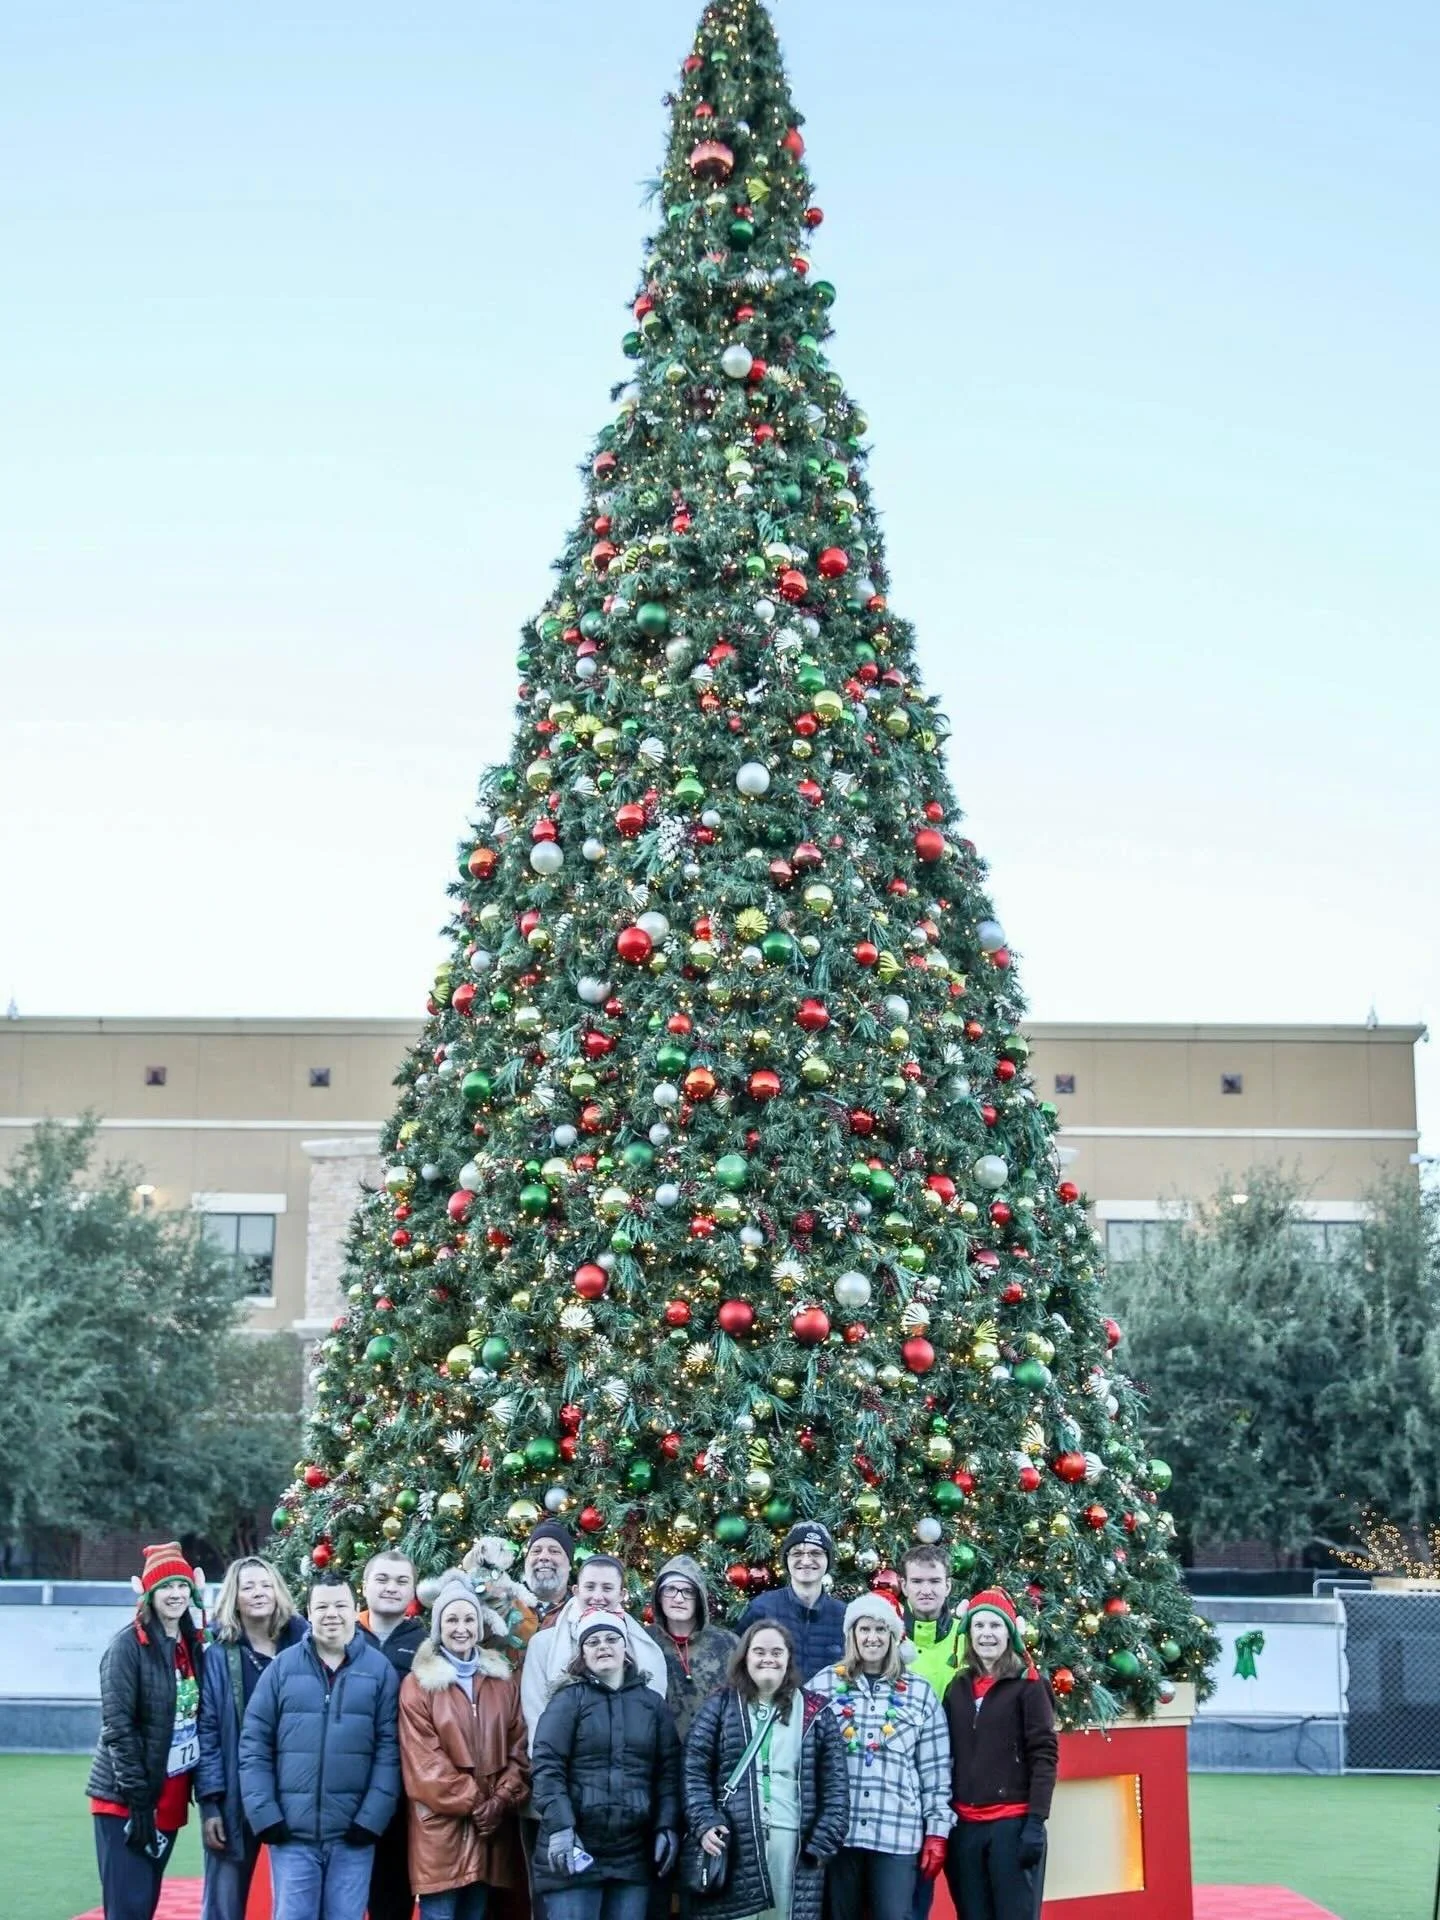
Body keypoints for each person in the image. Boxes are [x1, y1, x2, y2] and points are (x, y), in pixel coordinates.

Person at [239, 1572, 401, 1920]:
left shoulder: (379, 1671)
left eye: (340, 1605)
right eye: (322, 1606)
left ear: (354, 1608)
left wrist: (371, 1819)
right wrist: (265, 1814)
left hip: (353, 1837)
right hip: (292, 1837)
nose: (332, 1614)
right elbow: (254, 1744)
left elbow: (390, 1753)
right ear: (308, 1612)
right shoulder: (281, 1669)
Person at [683, 1622, 848, 1920]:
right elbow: (694, 1769)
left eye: (776, 1651)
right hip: (734, 1843)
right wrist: (704, 1821)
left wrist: (822, 1844)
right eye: (759, 1651)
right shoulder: (719, 1706)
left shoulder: (816, 1712)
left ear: (788, 1658)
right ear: (745, 1657)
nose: (767, 1658)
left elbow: (836, 1786)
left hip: (794, 1844)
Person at [529, 1610, 684, 1920]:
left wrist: (666, 1825)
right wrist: (560, 1825)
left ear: (625, 1647)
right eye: (593, 1641)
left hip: (632, 1855)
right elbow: (547, 1766)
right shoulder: (567, 1700)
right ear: (582, 1653)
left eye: (612, 1639)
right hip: (575, 1849)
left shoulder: (652, 1704)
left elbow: (668, 1772)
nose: (603, 1646)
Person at [805, 1594, 952, 1920]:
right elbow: (804, 1757)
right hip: (841, 1836)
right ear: (852, 1636)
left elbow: (936, 1770)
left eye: (881, 1630)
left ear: (894, 1635)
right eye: (864, 1629)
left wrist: (937, 1831)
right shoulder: (824, 1685)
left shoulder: (920, 1692)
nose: (872, 1637)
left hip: (897, 1835)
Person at [399, 1574, 530, 1920]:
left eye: (469, 1619)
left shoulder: (502, 1682)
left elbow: (519, 1749)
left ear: (480, 1624)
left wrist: (501, 1800)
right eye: (451, 1619)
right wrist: (480, 1804)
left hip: (490, 1836)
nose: (461, 1628)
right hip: (441, 1837)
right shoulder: (418, 1686)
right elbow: (424, 1764)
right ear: (438, 1625)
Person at [87, 1542, 207, 1920]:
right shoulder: (127, 1647)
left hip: (169, 1800)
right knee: (128, 1908)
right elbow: (118, 1728)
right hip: (127, 1801)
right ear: (150, 1593)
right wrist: (138, 1802)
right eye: (166, 1587)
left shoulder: (190, 1645)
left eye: (182, 1585)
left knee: (145, 1903)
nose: (176, 1594)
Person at [196, 1555, 305, 1920]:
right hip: (235, 1796)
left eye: (265, 1584)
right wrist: (210, 1803)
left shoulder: (304, 1647)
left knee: (295, 1902)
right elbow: (207, 1731)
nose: (259, 1593)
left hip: (295, 1792)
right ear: (234, 1597)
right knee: (225, 1905)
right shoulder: (216, 1656)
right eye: (248, 1586)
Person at [943, 1589, 1058, 1920]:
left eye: (995, 1626)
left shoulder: (1030, 1685)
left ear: (1010, 1633)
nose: (986, 1634)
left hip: (1012, 1825)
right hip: (965, 1828)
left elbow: (1044, 1756)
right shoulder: (958, 1686)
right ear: (968, 1633)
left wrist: (1035, 1822)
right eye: (978, 1626)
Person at [643, 1556, 739, 1917]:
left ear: (700, 1597)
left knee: (706, 1880)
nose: (678, 1597)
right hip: (656, 1778)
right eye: (670, 1589)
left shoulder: (728, 1645)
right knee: (657, 1875)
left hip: (712, 1779)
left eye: (687, 1590)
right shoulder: (643, 1642)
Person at [520, 1554, 667, 1745]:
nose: (598, 1596)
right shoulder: (543, 1645)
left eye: (607, 1588)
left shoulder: (640, 1645)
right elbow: (535, 1713)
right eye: (590, 1587)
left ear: (622, 1595)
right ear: (576, 1590)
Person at [359, 1549, 428, 1920]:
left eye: (402, 1581)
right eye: (382, 1579)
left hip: (404, 1794)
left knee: (393, 1898)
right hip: (348, 1790)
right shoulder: (342, 1637)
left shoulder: (428, 1646)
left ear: (413, 1590)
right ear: (365, 1585)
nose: (391, 1588)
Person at [898, 1546, 964, 1920]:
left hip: (964, 1785)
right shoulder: (889, 1640)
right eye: (918, 1581)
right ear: (904, 1586)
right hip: (906, 1790)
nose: (926, 1590)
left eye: (934, 1581)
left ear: (948, 1585)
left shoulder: (967, 1638)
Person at [733, 1524, 845, 1678]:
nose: (806, 1561)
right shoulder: (763, 1608)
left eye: (816, 1553)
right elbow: (737, 1663)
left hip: (829, 1701)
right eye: (797, 1553)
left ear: (828, 1560)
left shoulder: (844, 1616)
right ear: (787, 1559)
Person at [522, 1520, 576, 1635]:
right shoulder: (503, 1605)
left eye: (554, 1551)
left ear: (569, 1564)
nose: (544, 1557)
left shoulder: (582, 1609)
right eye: (536, 1551)